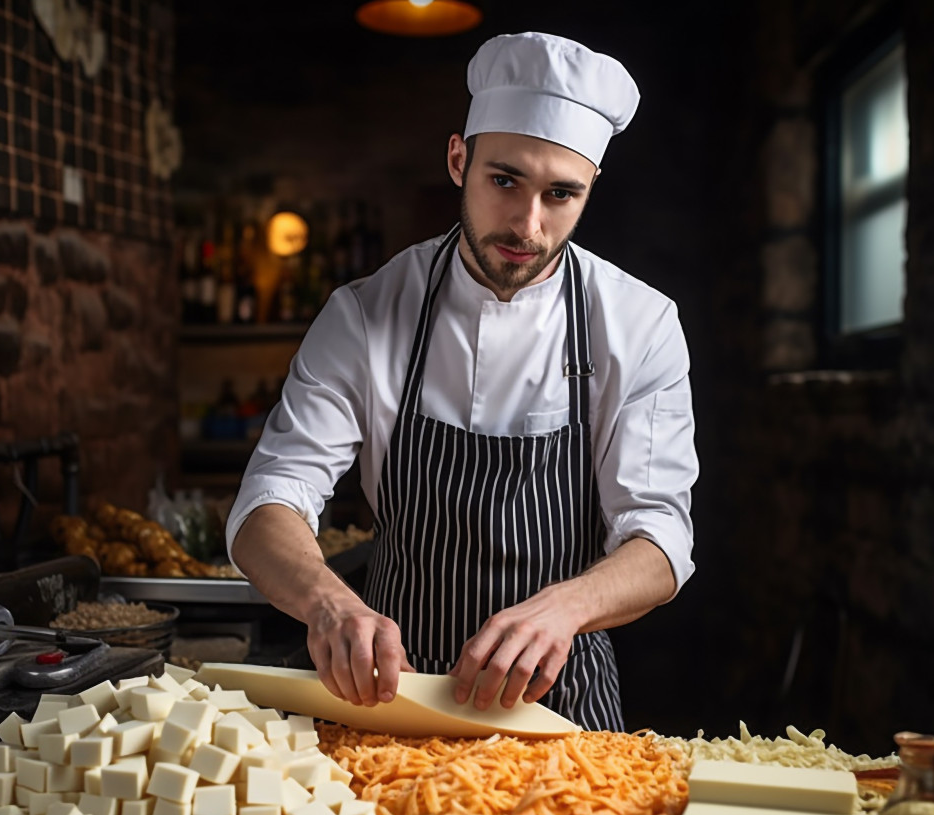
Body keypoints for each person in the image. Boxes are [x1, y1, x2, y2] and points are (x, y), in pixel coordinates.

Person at [226, 31, 699, 731]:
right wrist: (330, 602)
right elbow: (271, 499)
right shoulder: (364, 314)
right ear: (458, 159)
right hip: (386, 698)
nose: (526, 224)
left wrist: (565, 608)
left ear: (590, 190)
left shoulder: (640, 323)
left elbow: (660, 537)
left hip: (559, 710)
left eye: (560, 194)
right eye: (504, 180)